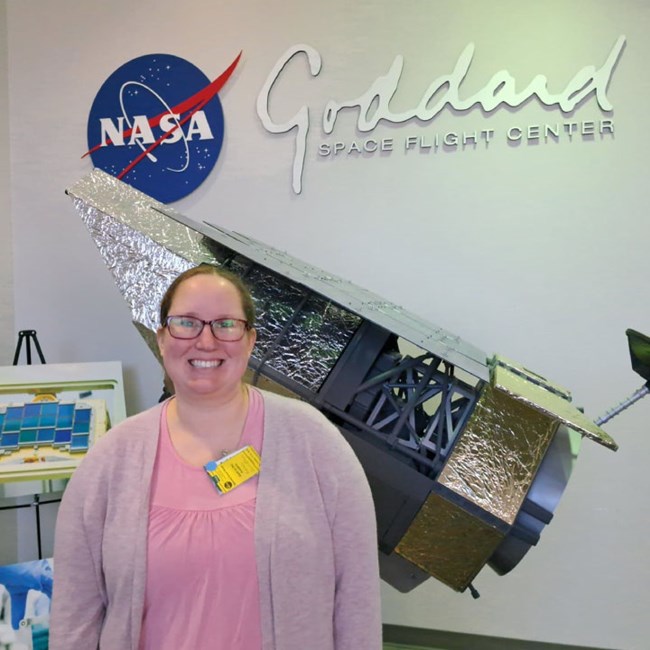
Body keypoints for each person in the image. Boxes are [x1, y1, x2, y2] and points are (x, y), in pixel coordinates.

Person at [49, 264, 382, 650]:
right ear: (161, 338)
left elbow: (357, 599)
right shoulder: (111, 459)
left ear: (250, 339)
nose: (206, 341)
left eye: (225, 324)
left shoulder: (313, 442)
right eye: (186, 323)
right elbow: (75, 613)